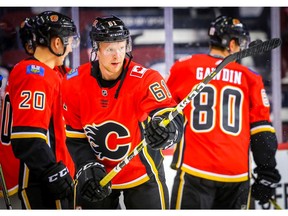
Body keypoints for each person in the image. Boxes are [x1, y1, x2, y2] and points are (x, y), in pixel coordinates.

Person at [61, 15, 184, 209]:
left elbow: (168, 113)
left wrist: (167, 131)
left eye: (121, 46)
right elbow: (76, 138)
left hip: (143, 174)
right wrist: (86, 166)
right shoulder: (73, 82)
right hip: (98, 176)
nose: (117, 55)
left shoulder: (146, 78)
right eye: (109, 48)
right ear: (96, 49)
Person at [167, 15, 281, 209]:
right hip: (236, 176)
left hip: (194, 170)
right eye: (241, 42)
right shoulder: (250, 77)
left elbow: (162, 113)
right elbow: (262, 132)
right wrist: (266, 173)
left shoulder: (184, 67)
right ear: (232, 43)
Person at [3, 11, 79, 209]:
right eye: (69, 41)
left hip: (54, 172)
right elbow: (27, 138)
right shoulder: (34, 75)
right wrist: (51, 172)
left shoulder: (53, 73)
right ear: (56, 43)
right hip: (40, 179)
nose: (71, 48)